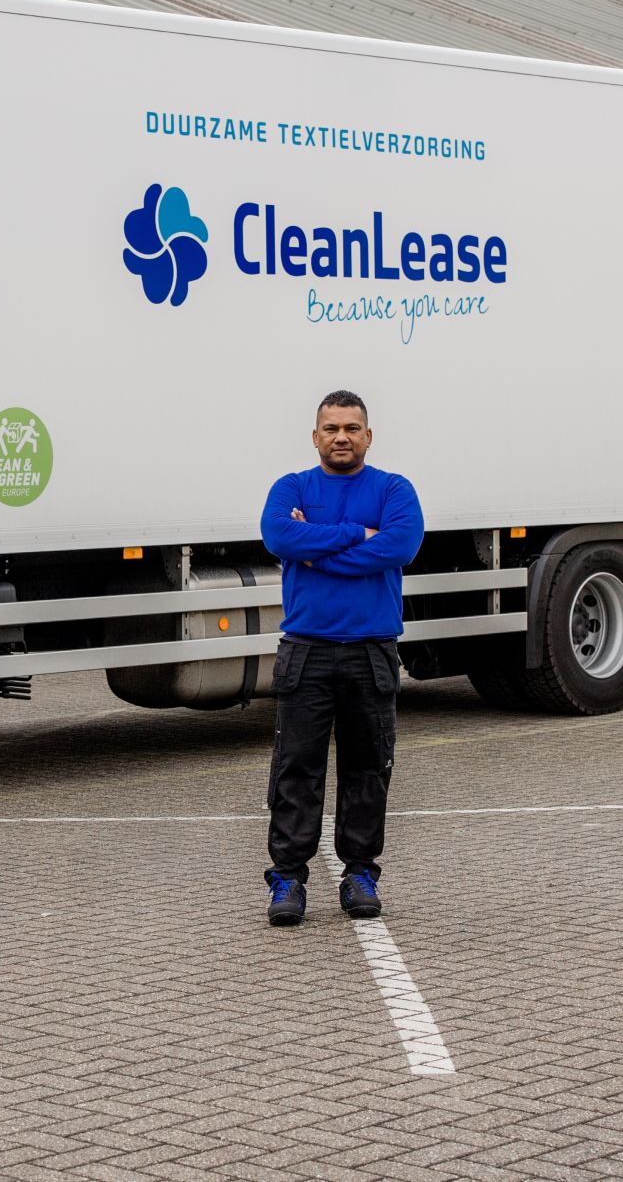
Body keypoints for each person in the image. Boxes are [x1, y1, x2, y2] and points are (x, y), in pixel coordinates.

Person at [257, 389, 424, 927]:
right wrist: (356, 535)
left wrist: (314, 551)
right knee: (296, 768)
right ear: (315, 436)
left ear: (368, 436)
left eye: (352, 428)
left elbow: (400, 547)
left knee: (367, 768)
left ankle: (360, 875)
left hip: (371, 651)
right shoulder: (292, 487)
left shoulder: (394, 489)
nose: (342, 437)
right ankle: (288, 879)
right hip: (306, 651)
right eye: (331, 428)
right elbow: (278, 534)